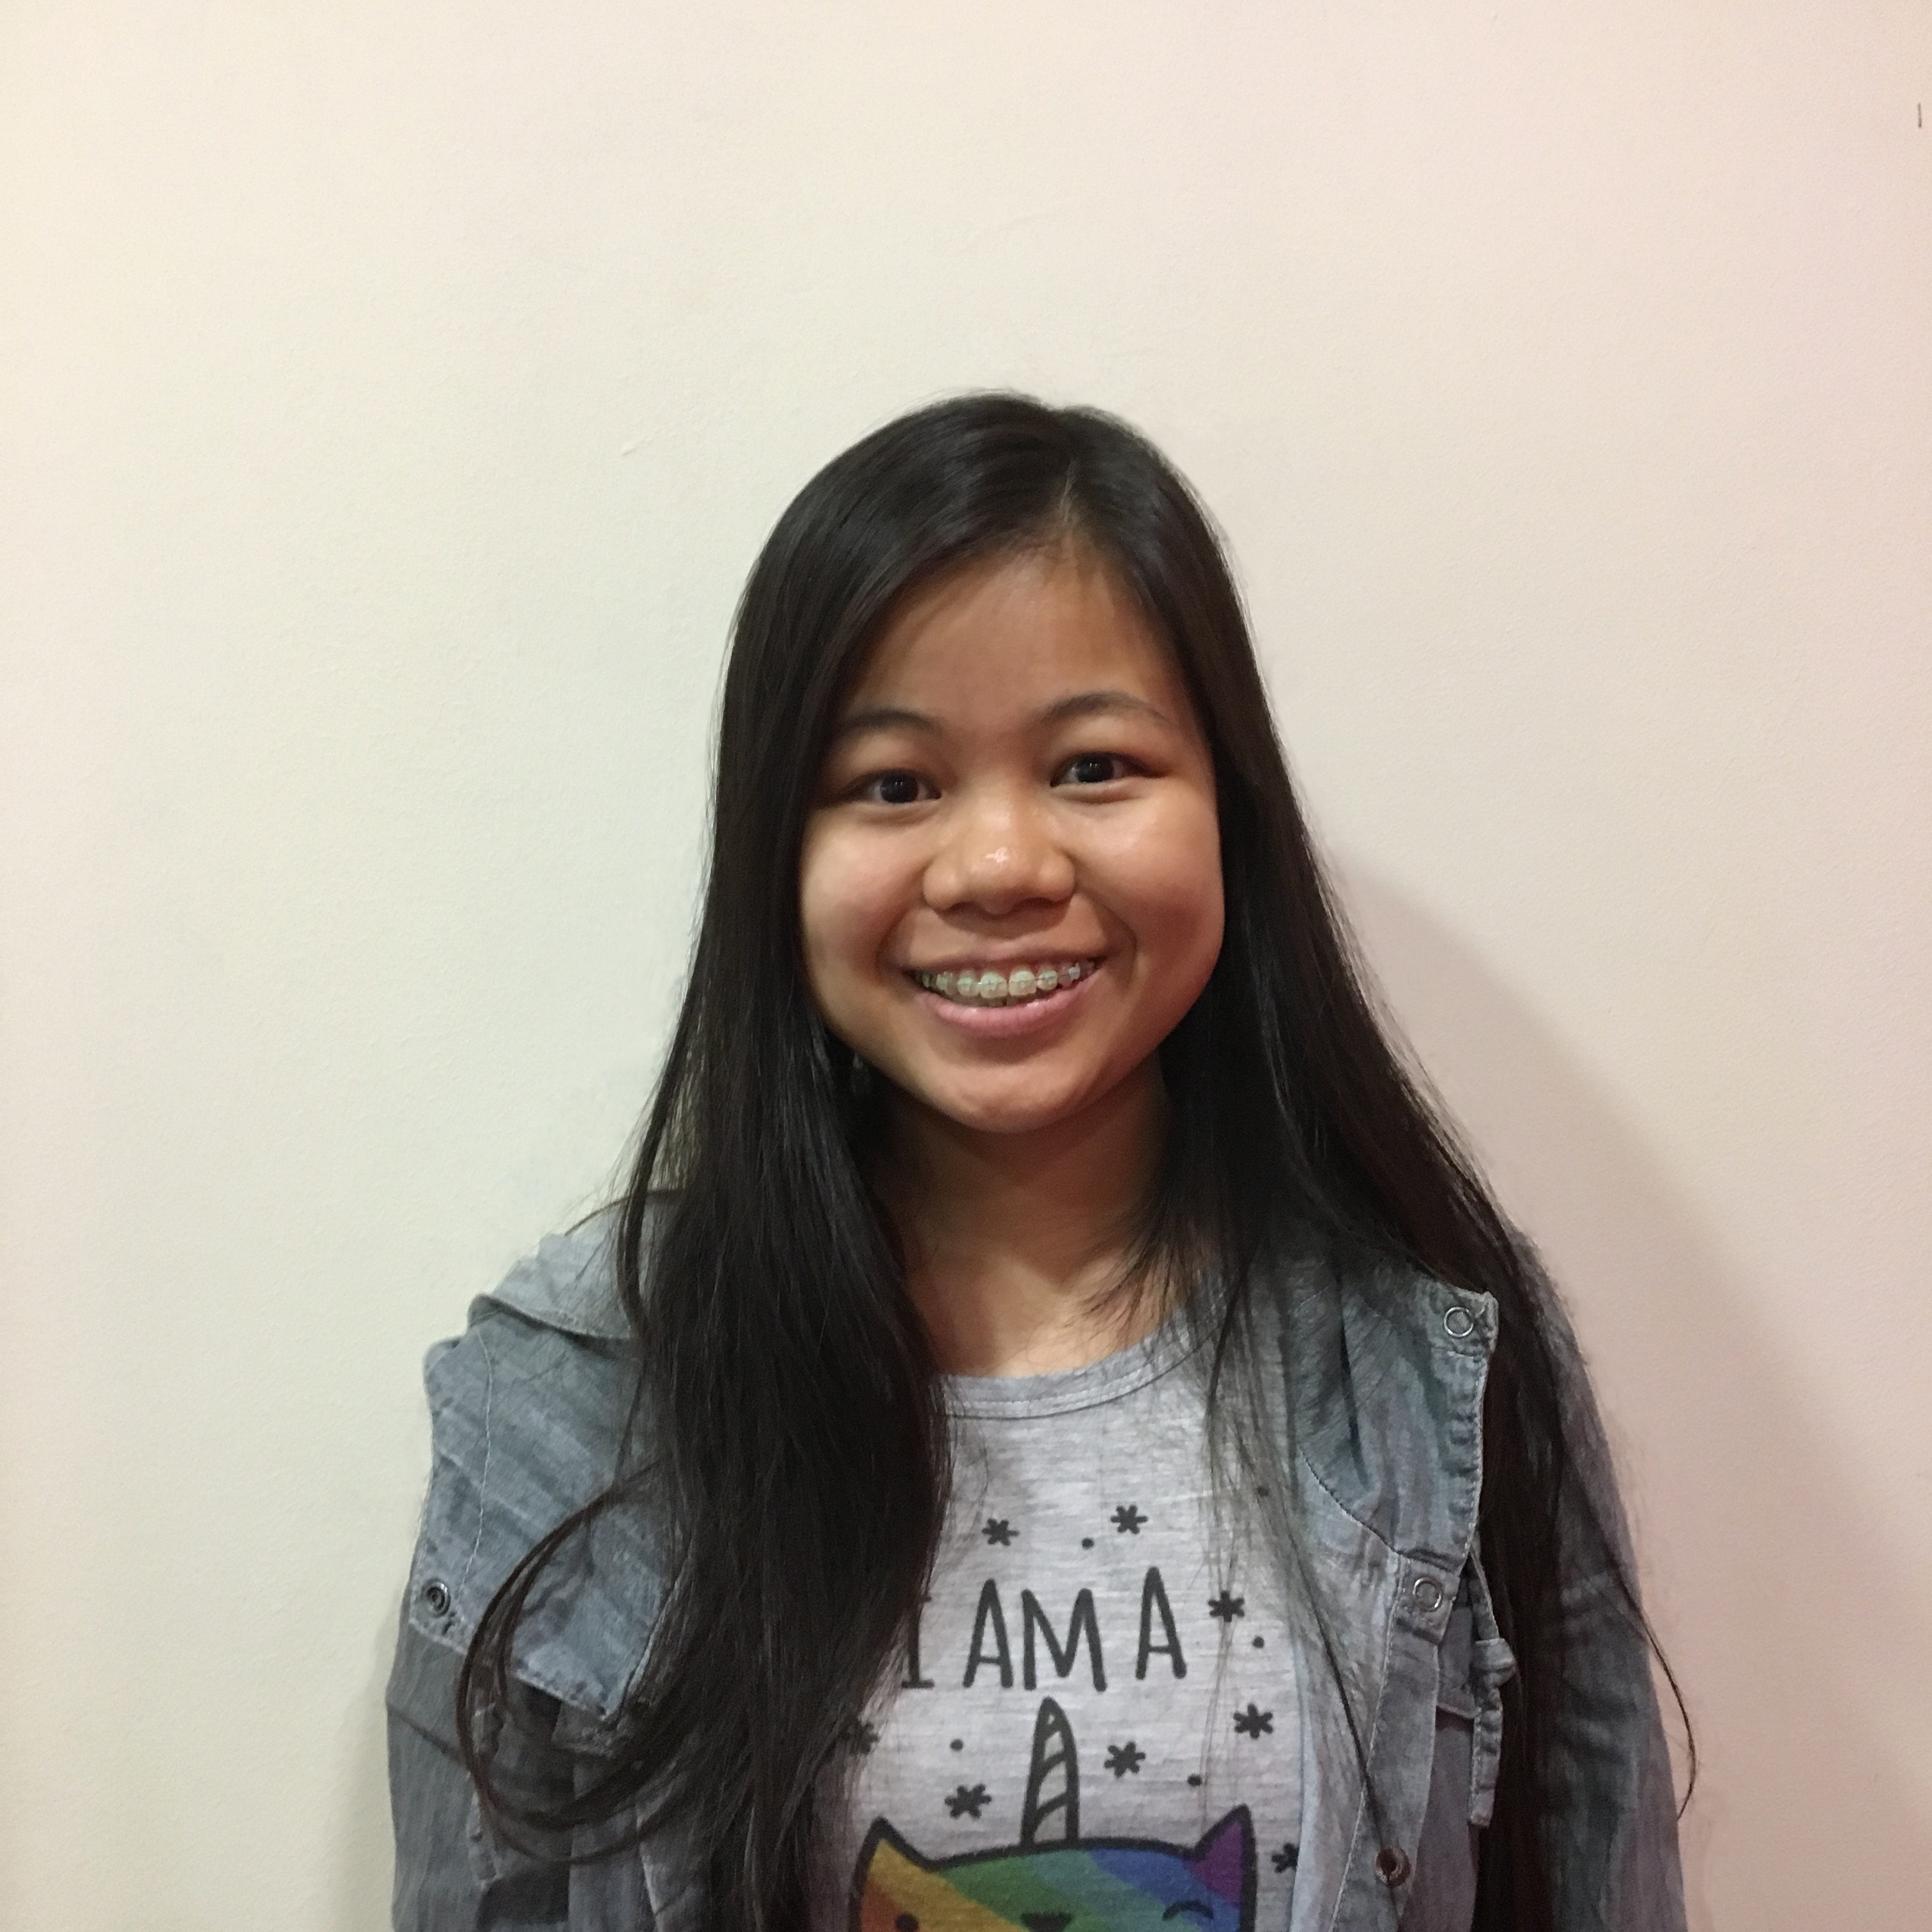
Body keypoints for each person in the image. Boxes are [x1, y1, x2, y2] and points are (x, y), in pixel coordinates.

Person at [386, 395, 1688, 1932]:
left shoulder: (1434, 1361)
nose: (1001, 866)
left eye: (1094, 765)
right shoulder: (573, 1401)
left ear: (1231, 812)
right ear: (772, 856)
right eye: (893, 785)